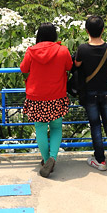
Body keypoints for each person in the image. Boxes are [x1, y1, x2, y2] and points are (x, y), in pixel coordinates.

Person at [20, 22, 72, 177]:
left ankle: (44, 160)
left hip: (36, 97)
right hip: (57, 96)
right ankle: (52, 158)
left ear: (39, 36)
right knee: (56, 128)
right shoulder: (63, 50)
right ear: (54, 35)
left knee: (40, 129)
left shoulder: (31, 51)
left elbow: (23, 68)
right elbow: (69, 66)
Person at [74, 14, 107, 172]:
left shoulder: (82, 48)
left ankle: (100, 161)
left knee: (95, 126)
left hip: (90, 93)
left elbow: (77, 64)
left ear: (86, 30)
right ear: (102, 30)